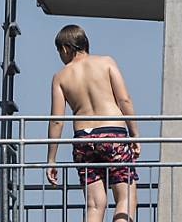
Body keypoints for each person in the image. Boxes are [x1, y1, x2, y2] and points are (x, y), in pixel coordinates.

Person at [46, 24, 140, 222]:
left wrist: (51, 159)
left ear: (65, 48)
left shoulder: (60, 77)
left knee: (94, 204)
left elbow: (57, 121)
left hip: (84, 140)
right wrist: (134, 134)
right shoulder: (106, 62)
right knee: (126, 196)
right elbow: (124, 100)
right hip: (113, 134)